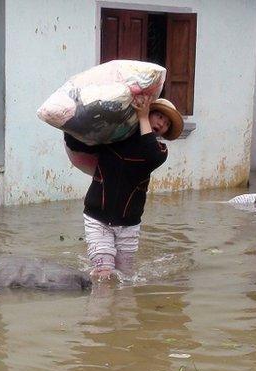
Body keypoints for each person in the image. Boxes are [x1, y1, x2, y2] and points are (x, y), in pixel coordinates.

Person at [64, 97, 183, 279]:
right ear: (148, 111)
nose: (162, 123)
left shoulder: (160, 152)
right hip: (98, 218)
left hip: (129, 223)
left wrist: (143, 118)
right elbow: (77, 144)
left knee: (126, 277)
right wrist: (71, 122)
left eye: (166, 124)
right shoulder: (114, 137)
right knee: (103, 274)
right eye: (159, 116)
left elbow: (149, 154)